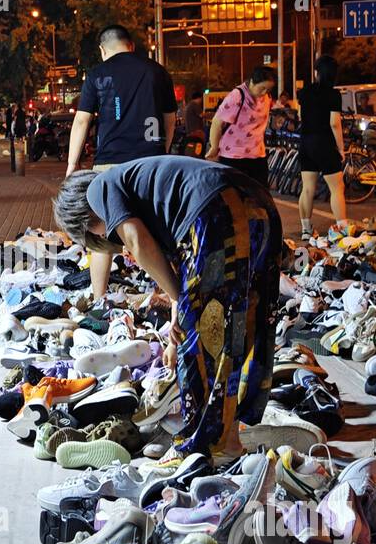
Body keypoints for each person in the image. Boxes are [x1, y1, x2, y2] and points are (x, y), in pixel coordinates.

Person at [54, 158, 282, 467]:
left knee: (202, 338)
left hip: (216, 210)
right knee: (241, 325)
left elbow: (136, 242)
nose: (102, 238)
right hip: (258, 204)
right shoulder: (146, 189)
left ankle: (192, 448)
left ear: (83, 218)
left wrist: (182, 301)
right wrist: (177, 313)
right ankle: (228, 439)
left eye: (91, 234)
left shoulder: (101, 188)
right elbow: (179, 265)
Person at [67, 25, 177, 297]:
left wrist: (72, 164)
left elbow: (82, 119)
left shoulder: (97, 74)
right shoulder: (156, 71)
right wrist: (162, 150)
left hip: (108, 167)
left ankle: (99, 297)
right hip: (151, 166)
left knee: (102, 236)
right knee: (157, 231)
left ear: (103, 50)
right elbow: (169, 120)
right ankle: (168, 294)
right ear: (132, 46)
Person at [296, 56, 349, 240]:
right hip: (324, 143)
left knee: (308, 188)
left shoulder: (304, 92)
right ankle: (342, 229)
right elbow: (334, 123)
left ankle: (306, 229)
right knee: (337, 187)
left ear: (317, 72)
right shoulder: (333, 94)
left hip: (306, 142)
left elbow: (301, 116)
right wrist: (341, 149)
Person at [206, 65, 276, 184]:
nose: (265, 92)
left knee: (260, 195)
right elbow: (217, 123)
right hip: (233, 156)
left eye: (268, 89)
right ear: (252, 82)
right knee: (235, 196)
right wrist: (214, 147)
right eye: (262, 88)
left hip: (258, 154)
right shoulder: (237, 95)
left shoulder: (266, 97)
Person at [182, 91, 205, 155]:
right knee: (198, 151)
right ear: (199, 98)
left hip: (190, 131)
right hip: (196, 131)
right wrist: (212, 115)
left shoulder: (189, 105)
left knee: (192, 150)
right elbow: (201, 115)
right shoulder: (194, 105)